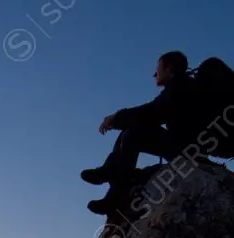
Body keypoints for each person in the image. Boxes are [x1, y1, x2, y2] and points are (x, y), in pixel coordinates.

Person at [80, 51, 206, 215]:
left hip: (188, 150)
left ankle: (114, 189)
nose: (155, 73)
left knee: (135, 132)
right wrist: (120, 119)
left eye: (159, 68)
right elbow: (152, 113)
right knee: (132, 131)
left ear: (169, 69)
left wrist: (116, 117)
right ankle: (111, 182)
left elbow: (152, 112)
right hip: (187, 147)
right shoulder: (180, 86)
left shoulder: (181, 87)